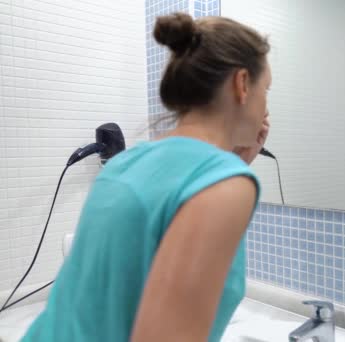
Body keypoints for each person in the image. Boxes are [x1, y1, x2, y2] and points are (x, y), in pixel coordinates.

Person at [22, 12, 271, 342]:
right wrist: (227, 172)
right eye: (266, 88)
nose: (266, 106)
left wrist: (229, 163)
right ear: (242, 84)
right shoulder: (223, 184)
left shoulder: (127, 162)